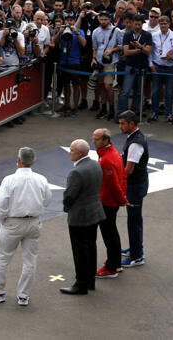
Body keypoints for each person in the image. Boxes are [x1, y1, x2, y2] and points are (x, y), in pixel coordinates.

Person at [0, 147, 51, 307]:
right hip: (34, 222)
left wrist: (3, 220)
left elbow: (2, 205)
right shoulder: (41, 179)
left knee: (3, 257)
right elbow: (47, 200)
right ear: (33, 161)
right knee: (30, 260)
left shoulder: (9, 180)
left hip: (12, 222)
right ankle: (24, 295)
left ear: (18, 160)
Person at [59, 139, 104, 295]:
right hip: (94, 212)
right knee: (91, 247)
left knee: (79, 251)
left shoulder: (76, 172)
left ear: (80, 153)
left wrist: (67, 208)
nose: (69, 153)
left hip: (80, 216)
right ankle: (90, 280)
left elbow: (69, 196)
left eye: (72, 150)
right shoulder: (95, 164)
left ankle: (81, 284)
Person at [92, 128, 127, 279]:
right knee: (112, 232)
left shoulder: (106, 159)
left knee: (109, 234)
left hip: (107, 202)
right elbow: (122, 177)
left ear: (106, 141)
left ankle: (111, 267)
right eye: (93, 138)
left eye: (97, 139)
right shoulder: (114, 153)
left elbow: (113, 184)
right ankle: (116, 263)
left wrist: (121, 199)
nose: (94, 141)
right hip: (110, 200)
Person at [118, 110, 148, 268]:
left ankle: (137, 256)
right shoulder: (134, 138)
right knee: (134, 219)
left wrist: (117, 180)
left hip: (135, 186)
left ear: (132, 124)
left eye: (123, 123)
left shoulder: (135, 143)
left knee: (134, 221)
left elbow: (128, 170)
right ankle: (135, 248)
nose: (120, 126)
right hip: (137, 184)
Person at [118, 14, 152, 115]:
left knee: (138, 92)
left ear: (142, 24)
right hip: (130, 65)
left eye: (139, 24)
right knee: (126, 91)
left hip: (142, 66)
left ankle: (135, 113)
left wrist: (140, 47)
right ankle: (121, 114)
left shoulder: (147, 35)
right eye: (136, 24)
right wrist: (140, 49)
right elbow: (126, 52)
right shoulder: (128, 35)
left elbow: (148, 52)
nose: (137, 26)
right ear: (132, 23)